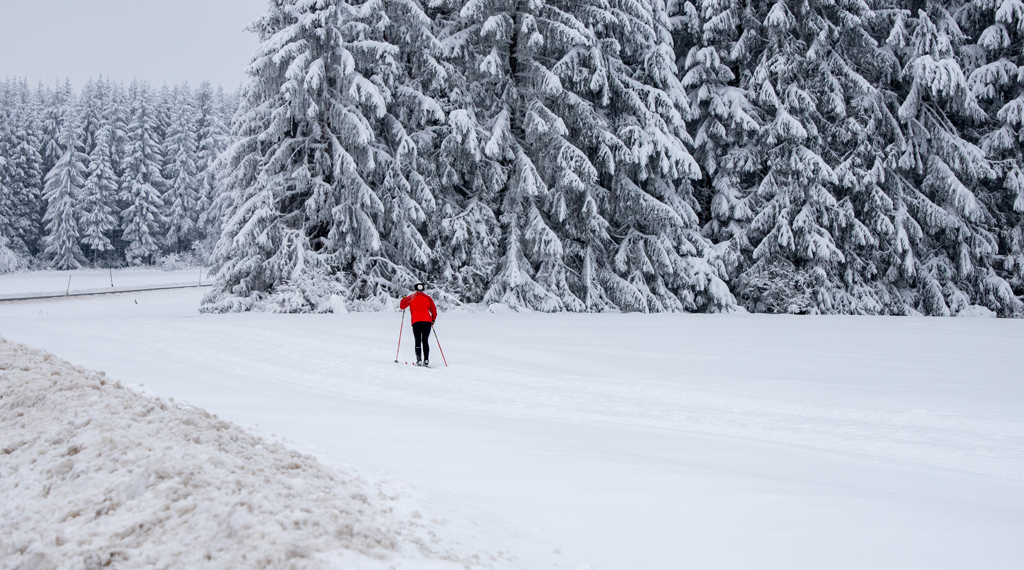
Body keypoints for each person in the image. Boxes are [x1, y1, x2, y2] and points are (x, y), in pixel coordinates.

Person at [399, 283, 437, 366]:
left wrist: (403, 299)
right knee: (425, 340)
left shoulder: (411, 297)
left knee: (418, 340)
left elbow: (402, 306)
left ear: (415, 289)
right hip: (427, 321)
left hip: (416, 321)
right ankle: (426, 360)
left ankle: (419, 360)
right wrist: (433, 319)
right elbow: (433, 310)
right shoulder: (428, 298)